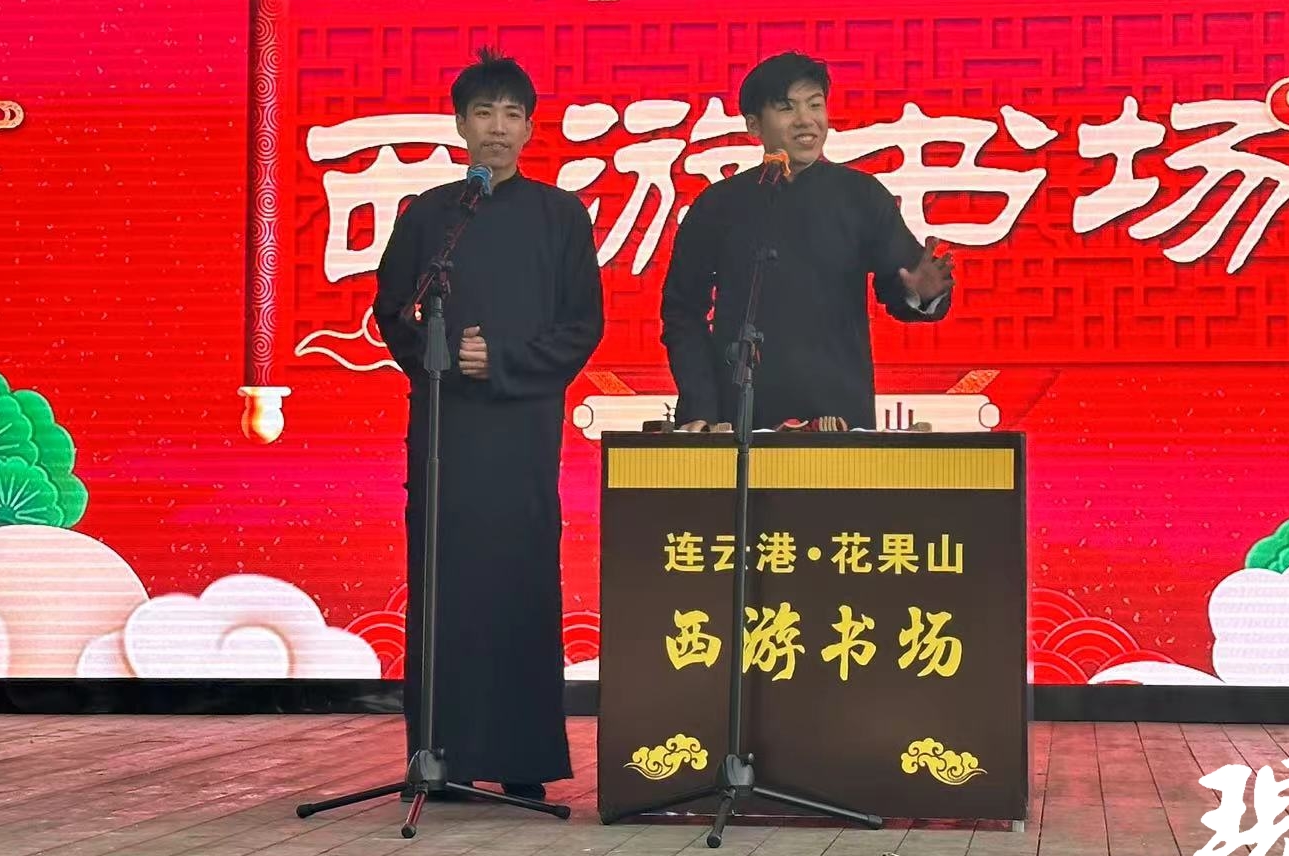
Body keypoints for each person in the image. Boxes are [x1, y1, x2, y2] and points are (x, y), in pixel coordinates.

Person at [374, 50, 603, 800]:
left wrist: (499, 361)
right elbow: (391, 311)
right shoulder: (430, 216)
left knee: (519, 584)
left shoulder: (560, 216)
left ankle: (523, 761)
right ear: (460, 125)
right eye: (484, 113)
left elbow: (582, 327)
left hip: (523, 434)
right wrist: (435, 359)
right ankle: (440, 755)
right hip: (446, 432)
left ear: (530, 128)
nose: (497, 128)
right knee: (445, 588)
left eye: (512, 115)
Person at [660, 51, 956, 431]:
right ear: (754, 125)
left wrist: (922, 294)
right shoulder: (719, 205)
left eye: (815, 105)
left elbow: (902, 288)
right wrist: (702, 408)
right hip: (739, 422)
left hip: (839, 421)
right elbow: (683, 311)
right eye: (787, 108)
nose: (806, 120)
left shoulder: (861, 196)